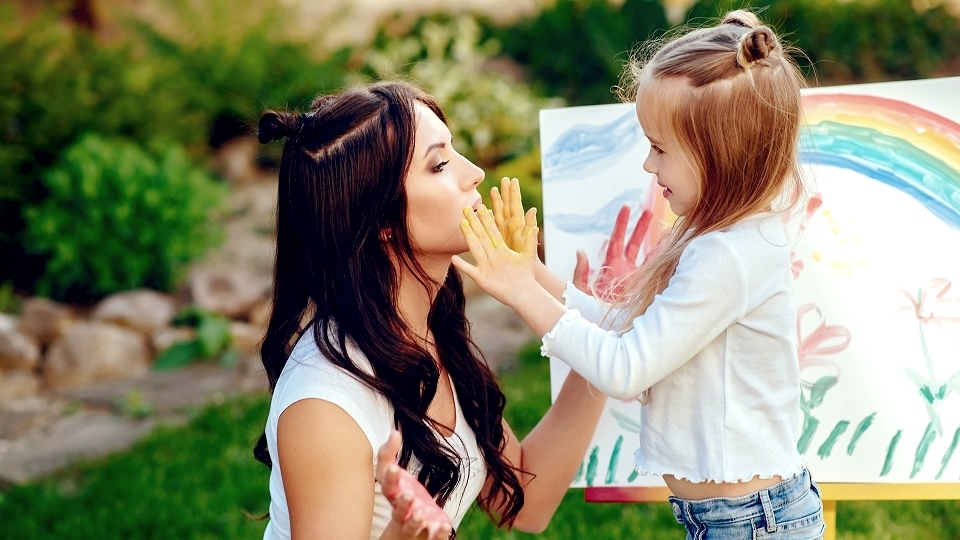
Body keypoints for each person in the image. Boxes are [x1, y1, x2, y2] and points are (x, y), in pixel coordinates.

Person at [453, 10, 825, 540]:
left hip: (754, 521)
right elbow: (627, 327)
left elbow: (627, 370)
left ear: (720, 158)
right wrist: (532, 276)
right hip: (742, 516)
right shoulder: (718, 240)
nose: (648, 166)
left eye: (659, 149)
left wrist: (521, 293)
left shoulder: (730, 254)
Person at [252, 80, 608, 540]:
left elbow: (526, 502)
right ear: (381, 221)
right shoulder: (326, 403)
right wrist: (403, 532)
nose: (475, 173)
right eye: (439, 164)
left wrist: (595, 345)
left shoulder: (424, 329)